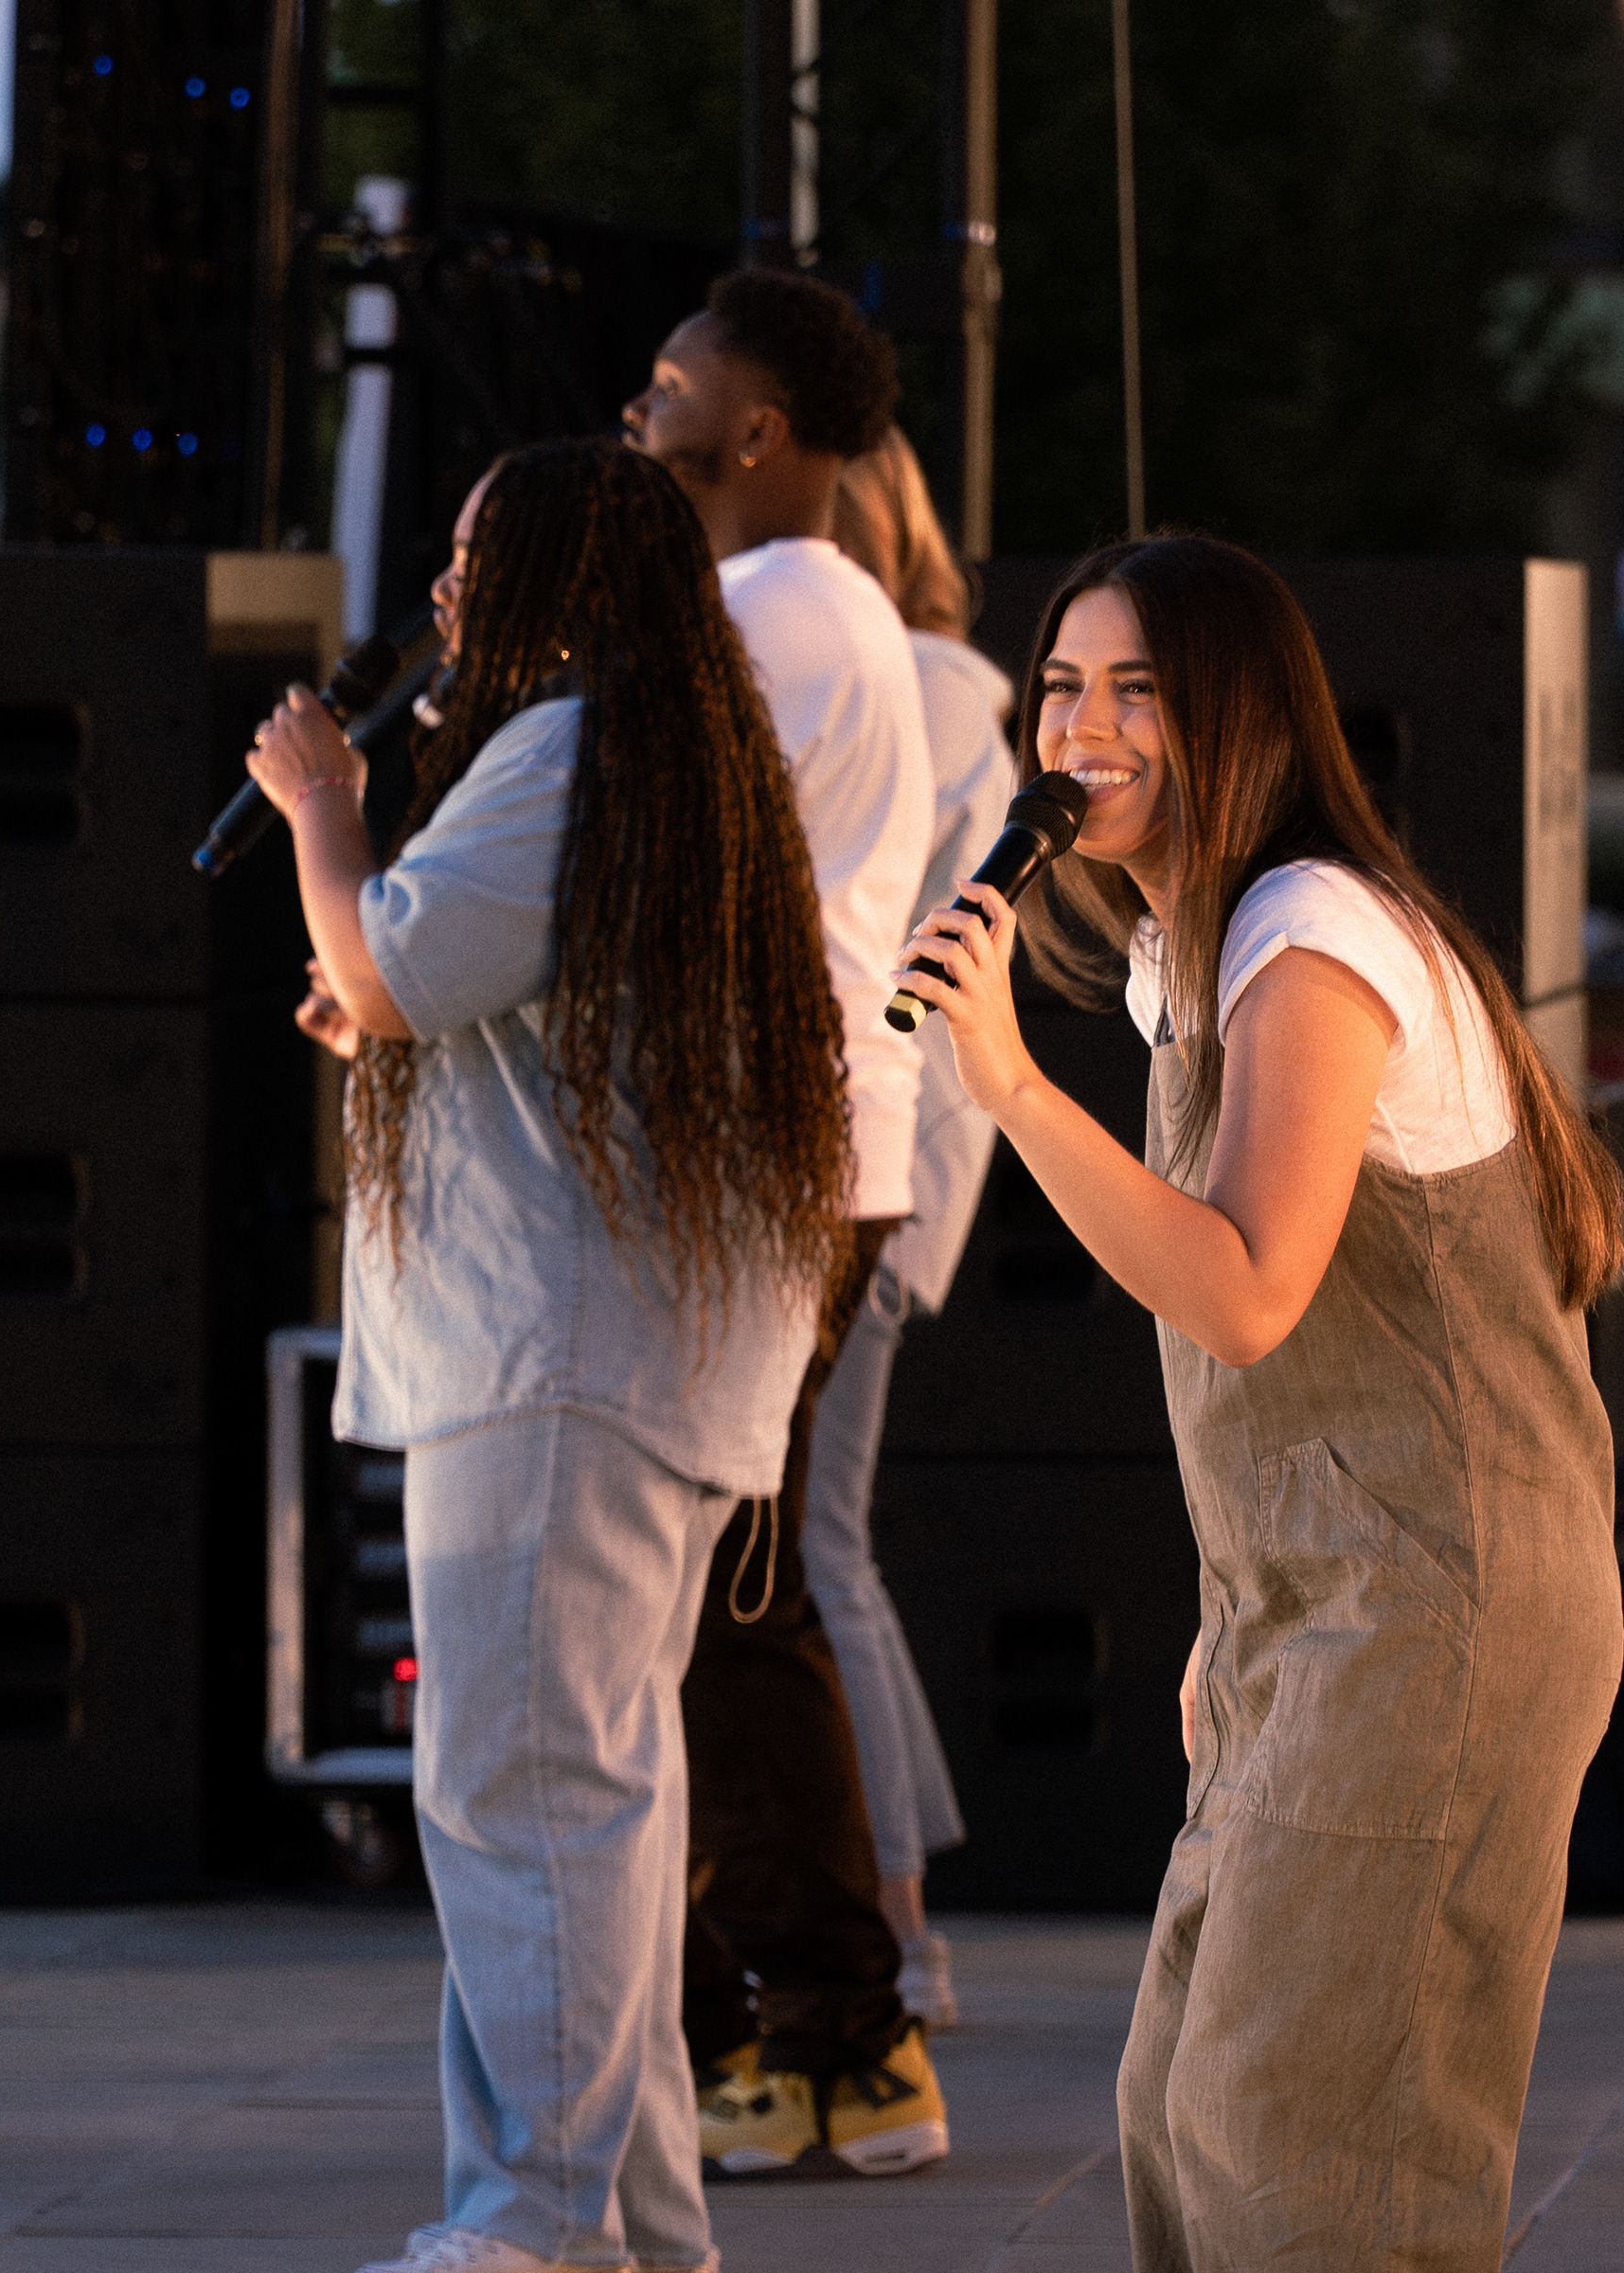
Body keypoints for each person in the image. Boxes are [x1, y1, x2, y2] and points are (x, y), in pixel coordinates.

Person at [889, 533, 1624, 2272]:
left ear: (1243, 716)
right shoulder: (1196, 957)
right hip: (1321, 1617)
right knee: (1186, 2106)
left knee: (1303, 2146)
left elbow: (1242, 1290)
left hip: (1434, 1620)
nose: (1083, 730)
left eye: (1138, 691)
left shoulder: (1311, 937)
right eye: (1062, 688)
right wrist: (1237, 1614)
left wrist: (1009, 1084)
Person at [247, 438, 852, 2273]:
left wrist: (323, 809)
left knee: (528, 1799)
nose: (444, 589)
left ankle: (544, 2220)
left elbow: (386, 966)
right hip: (621, 1355)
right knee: (593, 1808)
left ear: (560, 583)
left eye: (473, 553)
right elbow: (459, 1002)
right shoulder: (658, 759)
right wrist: (379, 985)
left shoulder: (561, 752)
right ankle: (633, 2225)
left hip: (555, 1363)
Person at [622, 270, 948, 2177]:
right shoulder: (814, 608)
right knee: (724, 1603)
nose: (642, 400)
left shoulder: (772, 612)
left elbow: (628, 843)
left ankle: (837, 2031)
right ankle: (802, 2031)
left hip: (772, 1165)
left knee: (728, 1610)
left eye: (674, 379)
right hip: (794, 1159)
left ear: (755, 430)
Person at [806, 423, 1022, 2030]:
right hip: (866, 1176)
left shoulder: (915, 697)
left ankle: (892, 1934)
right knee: (811, 1551)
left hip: (852, 1180)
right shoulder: (933, 697)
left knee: (813, 1552)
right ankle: (885, 1926)